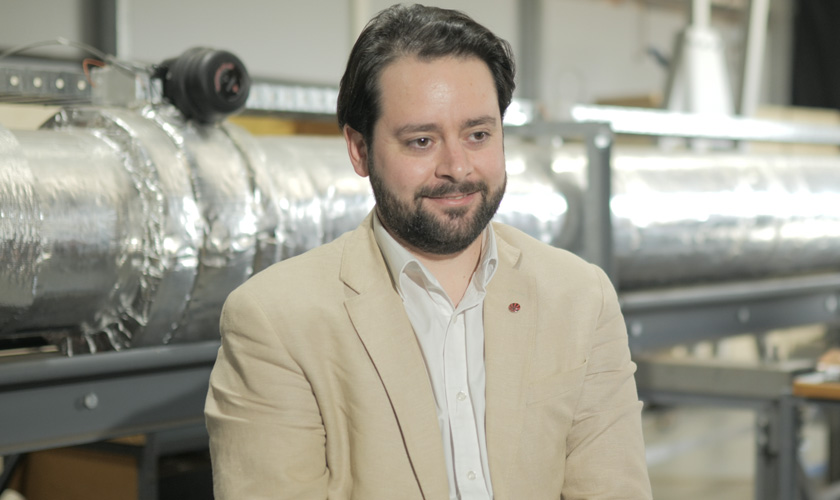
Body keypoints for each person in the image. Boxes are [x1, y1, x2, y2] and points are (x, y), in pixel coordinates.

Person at [205, 4, 652, 499]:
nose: (457, 167)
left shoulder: (579, 297)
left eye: (478, 135)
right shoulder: (276, 321)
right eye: (421, 141)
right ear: (359, 149)